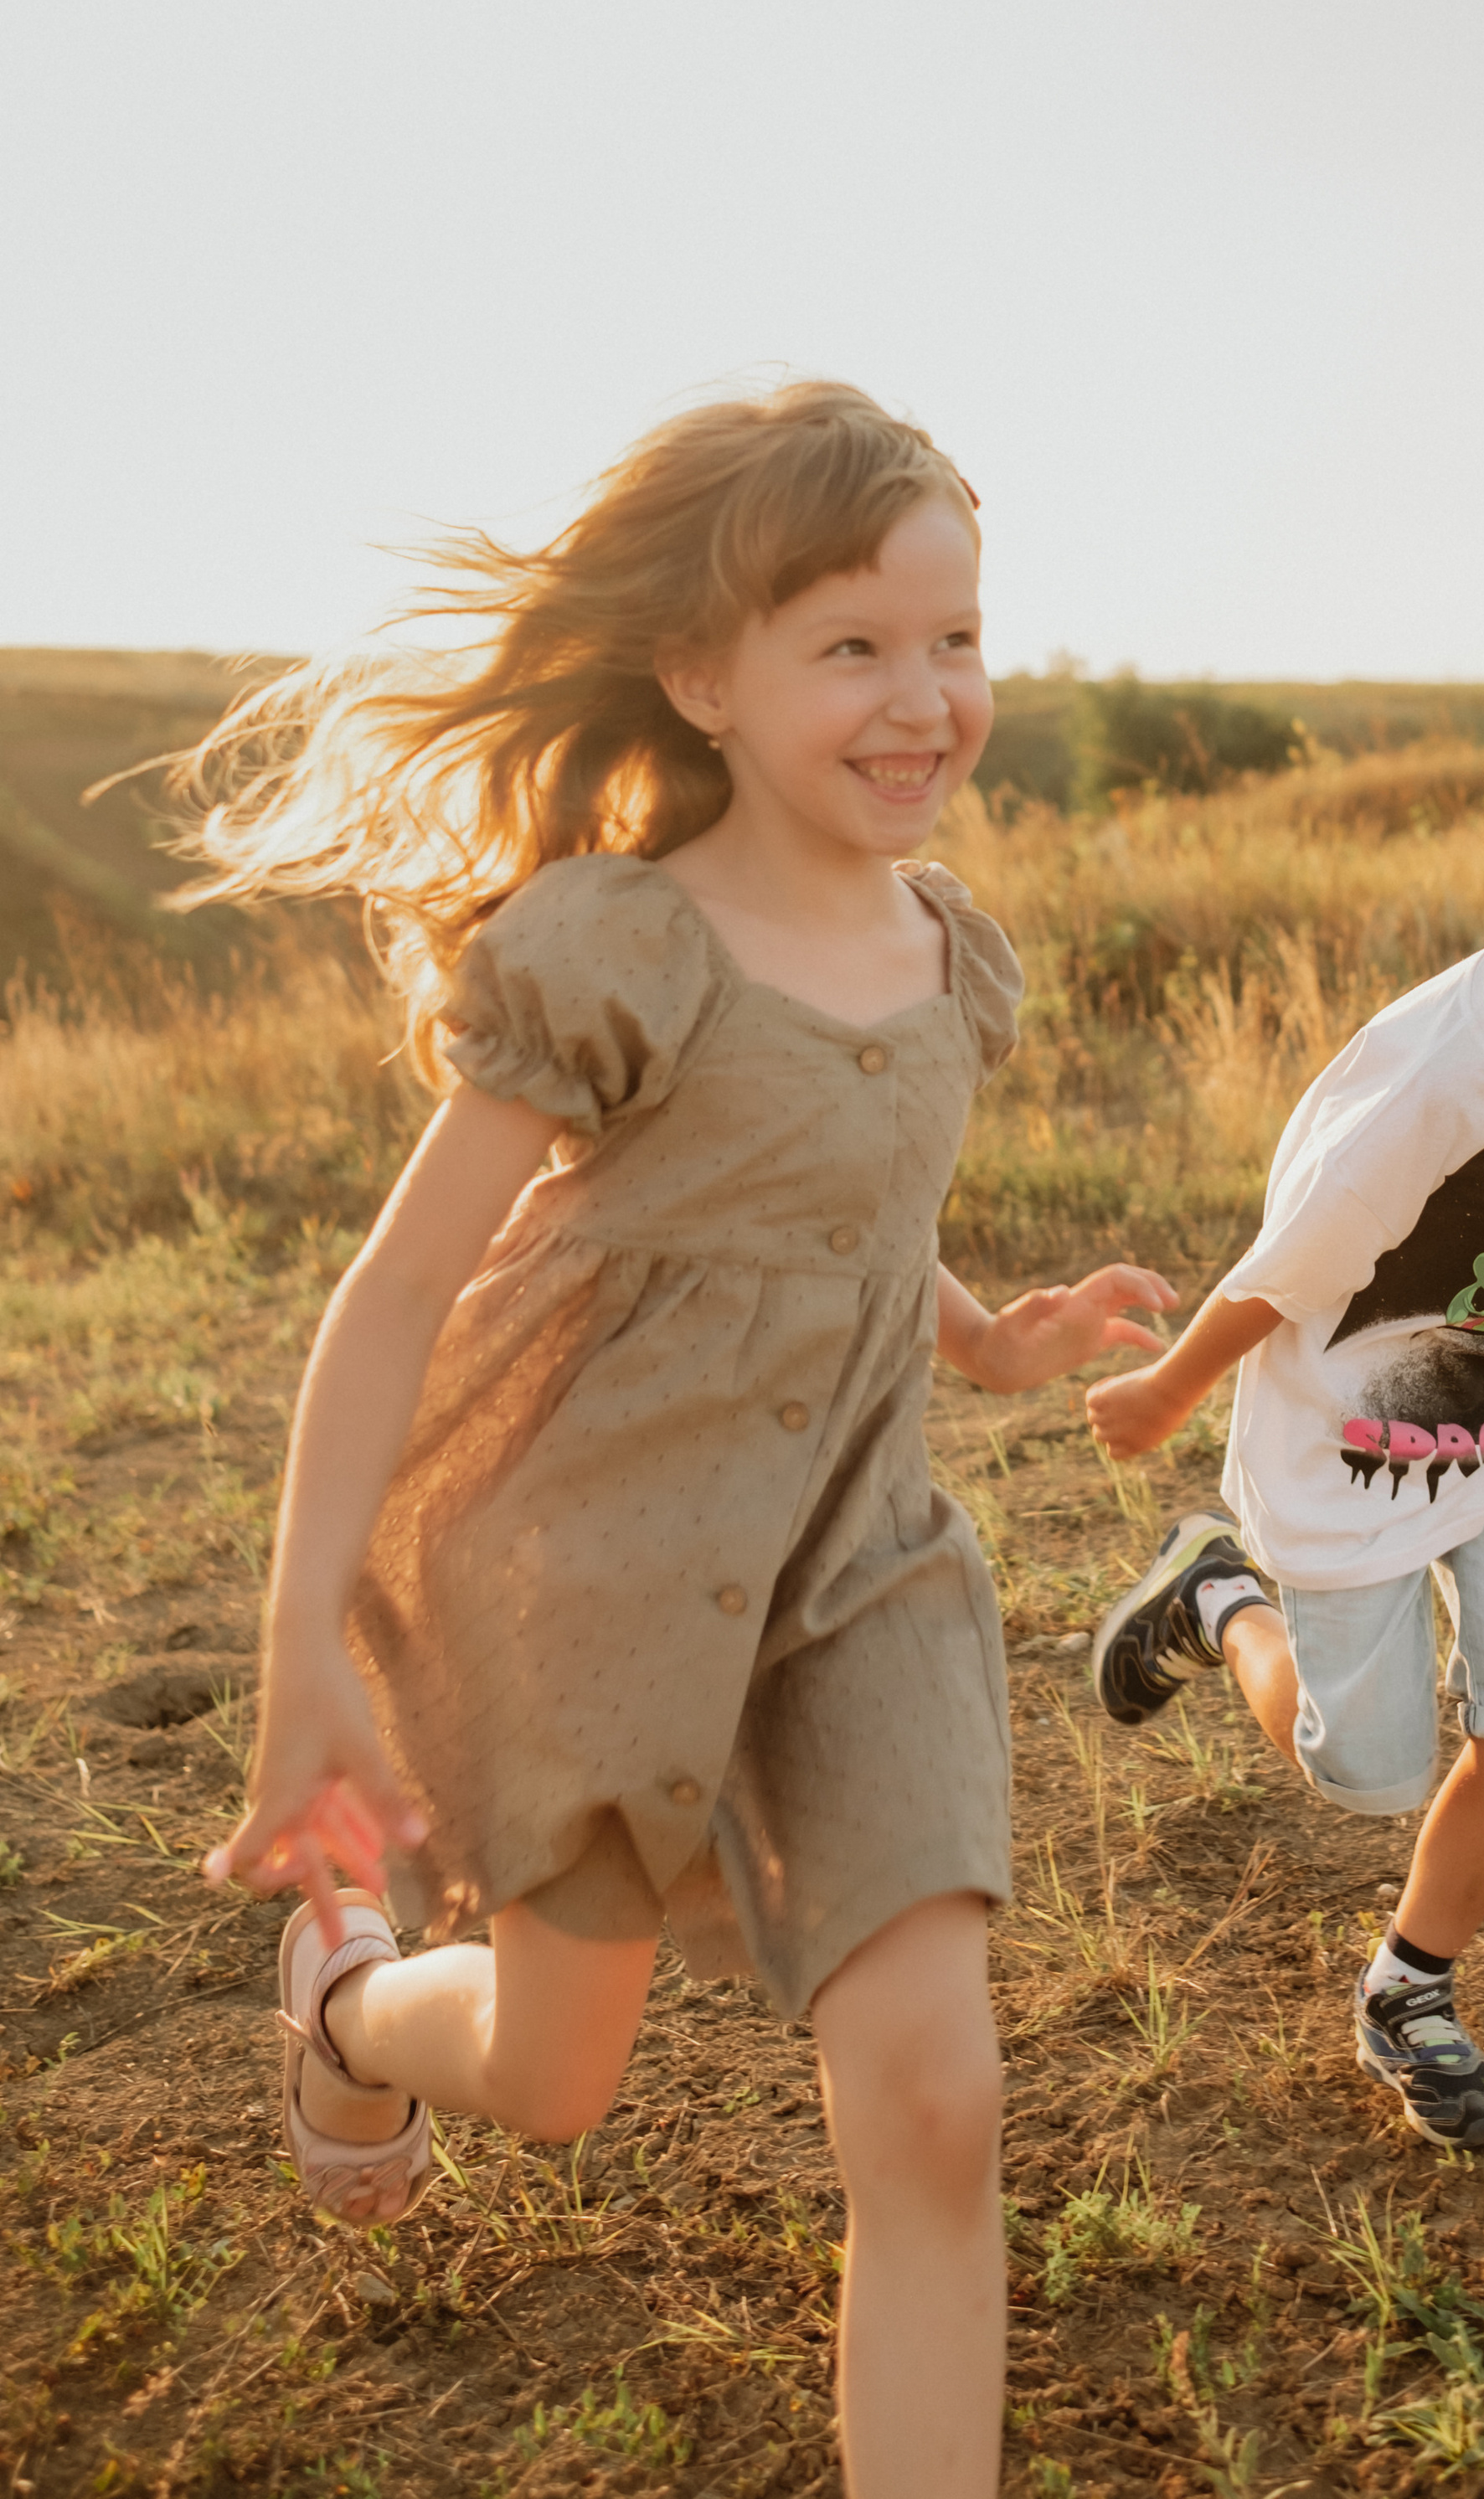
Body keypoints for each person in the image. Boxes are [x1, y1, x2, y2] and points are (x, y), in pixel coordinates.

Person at [186, 384, 1177, 2499]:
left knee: (935, 2106)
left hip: (858, 1575)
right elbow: (389, 1303)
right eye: (852, 647)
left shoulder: (948, 957)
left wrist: (985, 1333)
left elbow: (839, 1217)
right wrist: (301, 1648)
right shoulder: (617, 946)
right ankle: (351, 2005)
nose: (924, 700)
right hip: (603, 1572)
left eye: (957, 642)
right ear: (700, 673)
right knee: (551, 2080)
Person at [1085, 683, 1484, 2150]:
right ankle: (1219, 1595)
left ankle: (1409, 1993)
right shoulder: (1434, 1078)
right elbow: (1293, 1266)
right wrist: (1167, 1390)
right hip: (1345, 1440)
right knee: (1363, 1772)